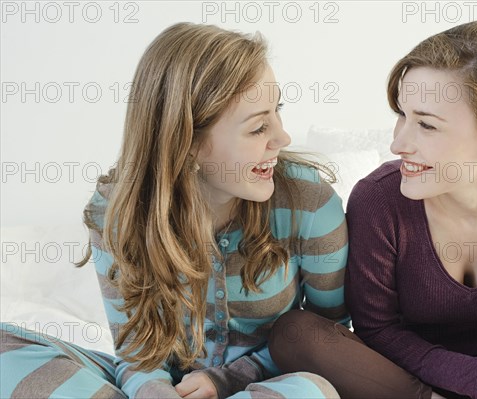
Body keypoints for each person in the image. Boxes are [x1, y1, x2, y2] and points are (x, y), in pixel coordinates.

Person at [0, 22, 349, 399]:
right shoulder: (115, 211)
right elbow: (136, 352)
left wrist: (224, 380)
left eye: (277, 112)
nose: (282, 138)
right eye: (258, 127)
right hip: (158, 391)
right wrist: (153, 391)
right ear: (189, 142)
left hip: (263, 386)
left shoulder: (309, 201)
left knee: (312, 390)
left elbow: (325, 337)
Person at [268, 19, 477, 399]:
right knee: (294, 332)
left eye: (426, 124)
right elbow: (379, 330)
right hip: (417, 383)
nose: (398, 144)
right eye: (402, 115)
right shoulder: (378, 199)